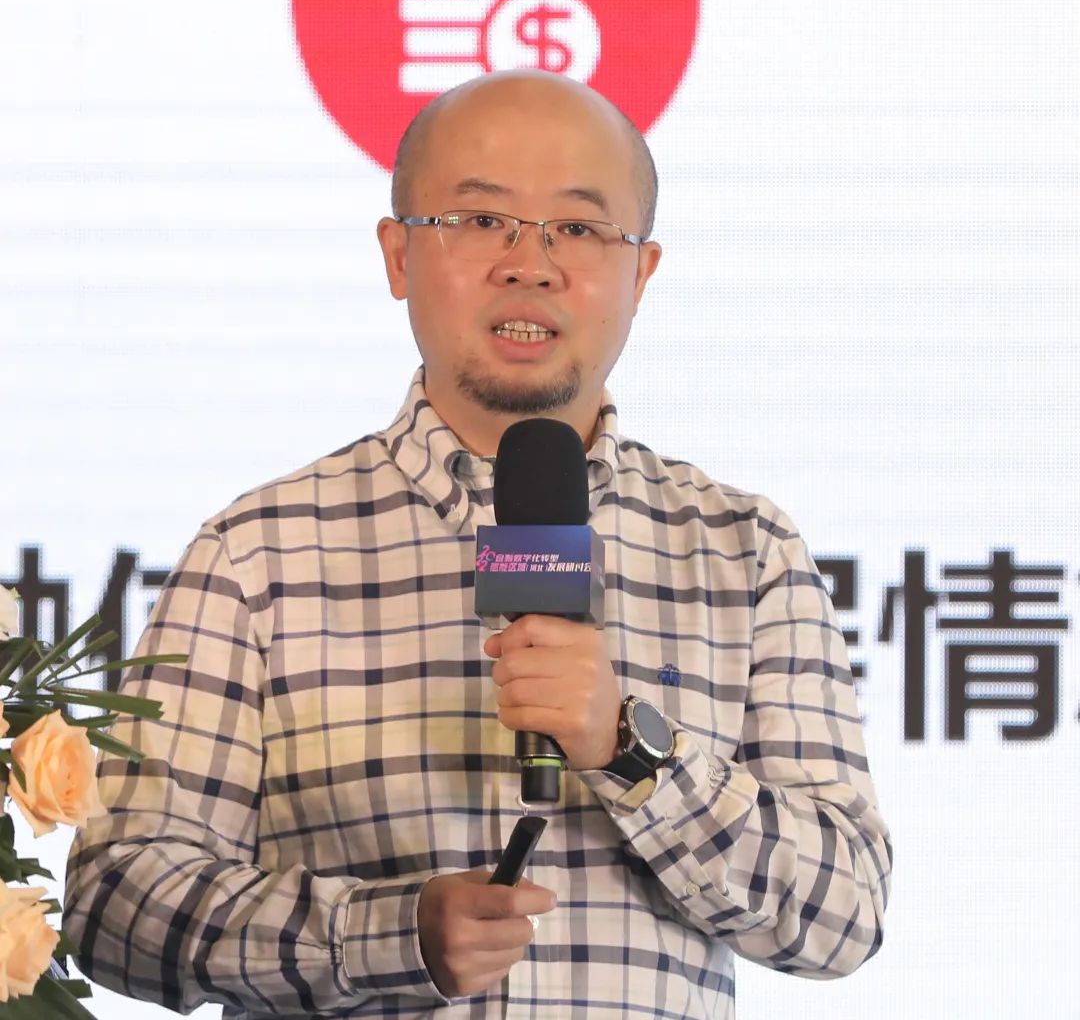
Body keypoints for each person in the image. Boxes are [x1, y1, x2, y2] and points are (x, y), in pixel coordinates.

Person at [64, 70, 891, 1019]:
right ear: (398, 256)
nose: (529, 264)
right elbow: (115, 902)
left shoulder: (744, 553)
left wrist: (629, 749)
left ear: (642, 274)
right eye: (480, 220)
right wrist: (383, 935)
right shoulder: (258, 555)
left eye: (578, 228)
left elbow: (844, 915)